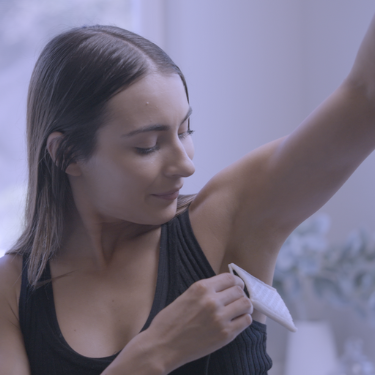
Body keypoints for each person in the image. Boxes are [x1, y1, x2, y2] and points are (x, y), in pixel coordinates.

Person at [0, 12, 375, 374]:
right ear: (67, 155)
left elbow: (366, 96)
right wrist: (156, 353)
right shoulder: (12, 291)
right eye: (148, 146)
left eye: (185, 131)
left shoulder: (229, 217)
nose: (186, 165)